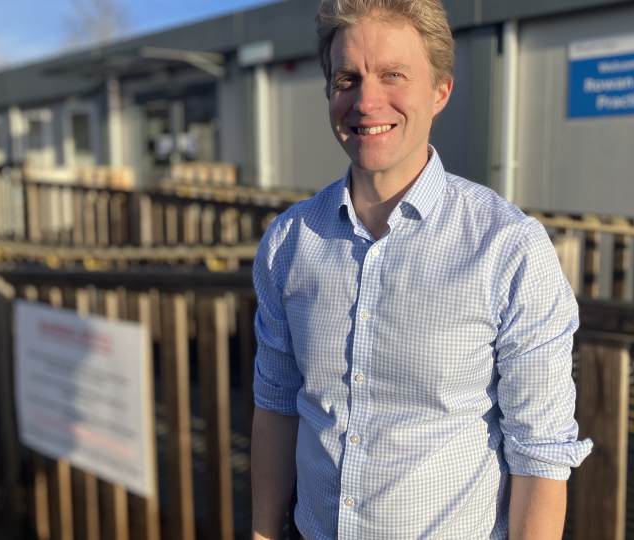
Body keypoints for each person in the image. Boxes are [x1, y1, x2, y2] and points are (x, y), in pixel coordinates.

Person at [250, 0, 592, 538]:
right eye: (347, 78)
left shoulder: (509, 249)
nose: (366, 101)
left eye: (392, 75)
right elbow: (275, 406)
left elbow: (540, 453)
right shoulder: (289, 243)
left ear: (440, 91)